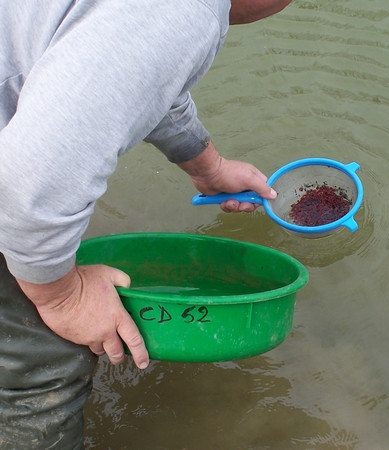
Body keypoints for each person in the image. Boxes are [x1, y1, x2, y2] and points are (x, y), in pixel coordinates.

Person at [0, 0, 292, 448]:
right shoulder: (183, 10)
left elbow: (137, 75)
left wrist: (208, 166)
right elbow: (31, 183)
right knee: (43, 364)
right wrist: (61, 297)